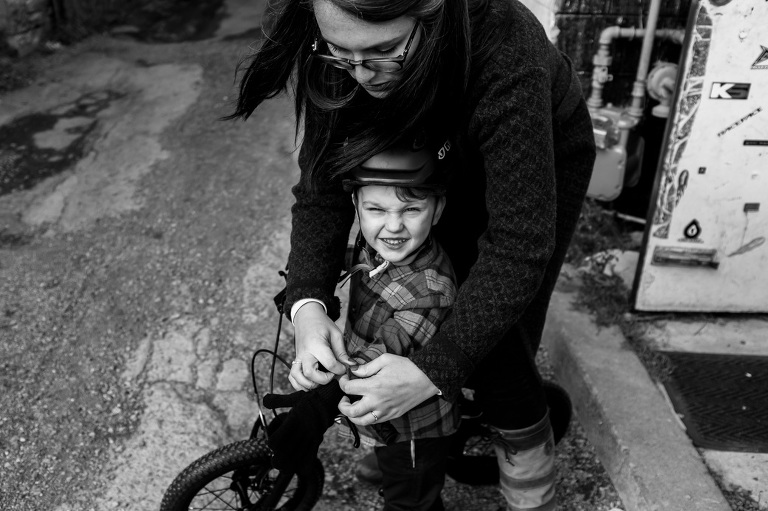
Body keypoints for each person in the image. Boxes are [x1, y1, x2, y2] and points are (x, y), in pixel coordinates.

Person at [229, 0, 596, 509]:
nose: (361, 73)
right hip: (419, 143)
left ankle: (526, 456)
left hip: (531, 147)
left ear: (432, 14)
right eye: (341, 53)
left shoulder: (506, 56)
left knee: (493, 329)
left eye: (383, 50)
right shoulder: (337, 57)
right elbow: (322, 190)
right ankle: (417, 432)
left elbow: (518, 247)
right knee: (397, 275)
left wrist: (433, 372)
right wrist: (308, 305)